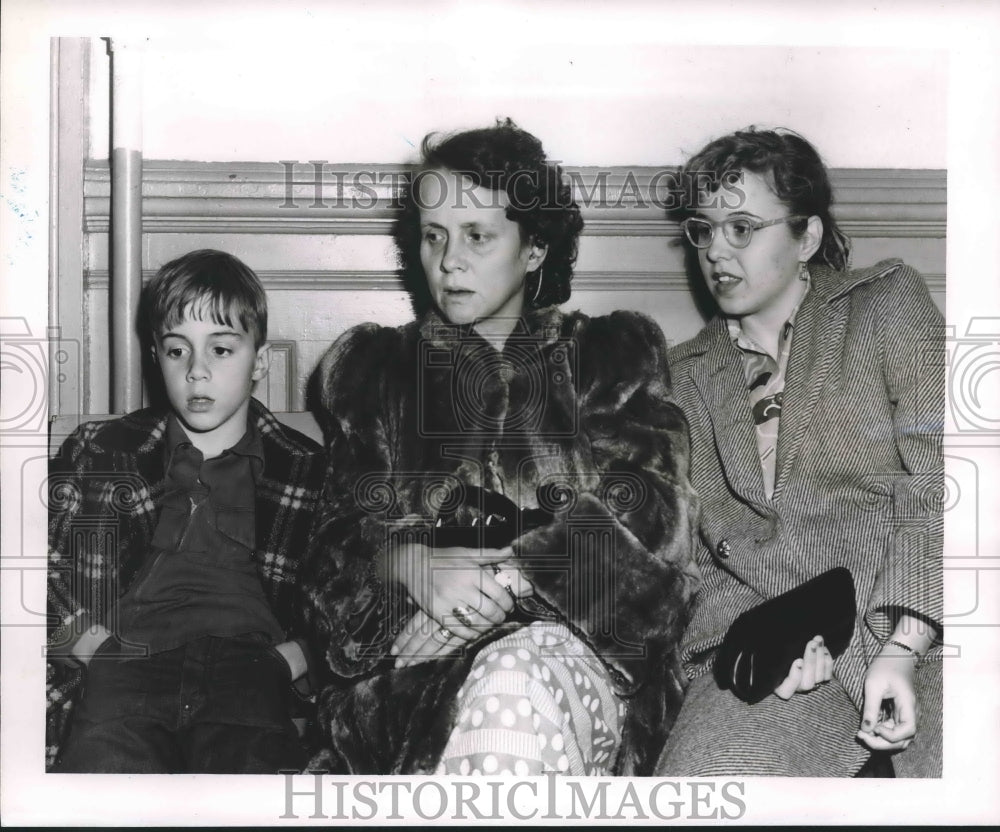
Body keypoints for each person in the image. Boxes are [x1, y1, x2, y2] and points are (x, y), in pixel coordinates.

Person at [301, 119, 700, 776]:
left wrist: (510, 577)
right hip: (410, 689)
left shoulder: (607, 359)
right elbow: (331, 555)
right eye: (433, 235)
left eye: (477, 236)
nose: (448, 260)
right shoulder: (378, 374)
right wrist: (408, 564)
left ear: (535, 248)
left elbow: (656, 544)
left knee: (514, 679)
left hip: (576, 673)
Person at [655, 128, 944, 777]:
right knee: (700, 786)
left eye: (742, 228)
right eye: (704, 230)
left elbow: (947, 479)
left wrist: (905, 643)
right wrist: (754, 644)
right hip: (772, 651)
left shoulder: (884, 303)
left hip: (918, 624)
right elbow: (687, 560)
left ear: (806, 236)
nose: (716, 251)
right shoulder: (677, 379)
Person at [46, 249, 326, 773]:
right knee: (99, 793)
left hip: (252, 675)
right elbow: (34, 564)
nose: (197, 371)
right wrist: (91, 647)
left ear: (259, 361)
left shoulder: (311, 469)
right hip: (124, 663)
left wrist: (295, 659)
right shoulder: (102, 450)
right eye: (178, 350)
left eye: (220, 349)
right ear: (156, 356)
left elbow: (350, 591)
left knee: (258, 797)